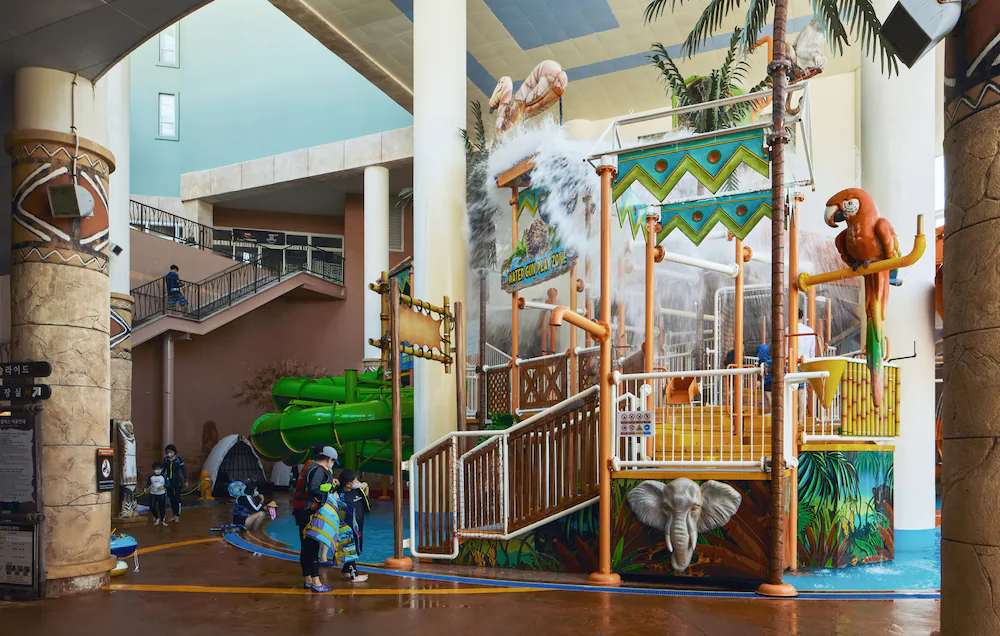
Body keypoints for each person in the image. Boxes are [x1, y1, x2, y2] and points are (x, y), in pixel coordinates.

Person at [292, 445, 339, 592]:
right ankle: (316, 582)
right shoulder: (319, 470)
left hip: (301, 512)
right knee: (312, 548)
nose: (332, 464)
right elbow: (313, 488)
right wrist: (329, 495)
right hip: (309, 513)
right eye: (333, 461)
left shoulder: (309, 467)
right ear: (329, 459)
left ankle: (307, 579)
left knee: (305, 547)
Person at [336, 470, 371, 553]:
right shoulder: (340, 495)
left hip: (359, 523)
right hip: (348, 526)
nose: (358, 482)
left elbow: (366, 500)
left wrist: (366, 486)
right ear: (348, 484)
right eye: (356, 480)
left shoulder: (358, 490)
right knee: (347, 546)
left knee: (358, 544)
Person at [162, 444, 187, 523]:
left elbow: (183, 470)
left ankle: (177, 515)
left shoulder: (179, 459)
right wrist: (160, 478)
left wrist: (186, 479)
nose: (169, 453)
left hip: (177, 481)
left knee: (177, 498)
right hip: (169, 481)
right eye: (167, 452)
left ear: (174, 451)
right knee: (171, 498)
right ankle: (174, 514)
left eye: (170, 451)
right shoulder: (166, 459)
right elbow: (163, 470)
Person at [756, 342, 772, 412]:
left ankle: (772, 411)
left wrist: (758, 380)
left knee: (768, 396)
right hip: (774, 379)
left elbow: (760, 370)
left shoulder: (762, 360)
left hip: (767, 380)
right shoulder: (772, 358)